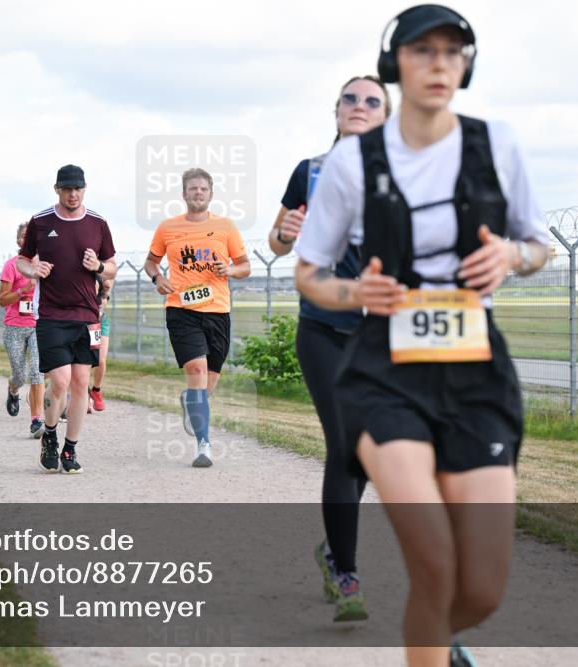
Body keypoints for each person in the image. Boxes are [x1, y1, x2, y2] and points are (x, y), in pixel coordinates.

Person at [294, 6, 549, 666]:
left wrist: (511, 259)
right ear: (395, 64)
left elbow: (538, 244)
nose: (439, 63)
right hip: (384, 368)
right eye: (422, 50)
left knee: (482, 587)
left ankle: (436, 634)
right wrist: (355, 292)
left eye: (452, 52)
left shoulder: (499, 145)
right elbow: (310, 273)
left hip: (474, 365)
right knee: (434, 560)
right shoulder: (354, 163)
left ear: (467, 65)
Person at [269, 74, 392, 623]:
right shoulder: (311, 171)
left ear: (387, 116)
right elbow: (276, 241)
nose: (360, 106)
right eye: (351, 98)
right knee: (345, 443)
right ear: (336, 110)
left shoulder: (402, 178)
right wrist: (287, 230)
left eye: (373, 101)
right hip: (323, 326)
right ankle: (346, 572)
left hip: (384, 332)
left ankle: (331, 550)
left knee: (369, 449)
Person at [144, 168, 251, 468]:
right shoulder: (168, 228)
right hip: (181, 309)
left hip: (217, 310)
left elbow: (245, 266)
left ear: (211, 193)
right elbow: (151, 262)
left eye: (203, 189)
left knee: (209, 381)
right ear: (184, 194)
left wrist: (229, 270)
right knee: (196, 369)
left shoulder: (226, 227)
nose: (198, 193)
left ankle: (192, 401)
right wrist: (157, 279)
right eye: (193, 189)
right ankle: (204, 445)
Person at [17, 164, 117, 474]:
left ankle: (70, 449)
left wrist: (98, 267)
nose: (73, 194)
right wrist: (34, 271)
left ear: (84, 189)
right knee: (59, 381)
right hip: (51, 314)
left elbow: (112, 265)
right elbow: (22, 259)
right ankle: (49, 435)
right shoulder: (41, 221)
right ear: (57, 189)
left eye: (78, 189)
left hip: (87, 316)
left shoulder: (98, 223)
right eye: (67, 189)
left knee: (82, 383)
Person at [0, 222, 45, 438]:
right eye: (25, 236)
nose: (29, 240)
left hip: (38, 325)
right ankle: (13, 389)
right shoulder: (12, 266)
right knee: (20, 374)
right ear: (19, 241)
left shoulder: (45, 266)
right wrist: (23, 290)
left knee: (37, 372)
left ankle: (37, 419)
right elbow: (2, 300)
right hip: (14, 326)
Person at [88, 275, 113, 412]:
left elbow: (107, 292)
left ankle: (96, 390)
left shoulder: (104, 270)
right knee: (84, 362)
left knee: (101, 360)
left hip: (100, 322)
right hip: (85, 321)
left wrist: (106, 286)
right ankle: (84, 394)